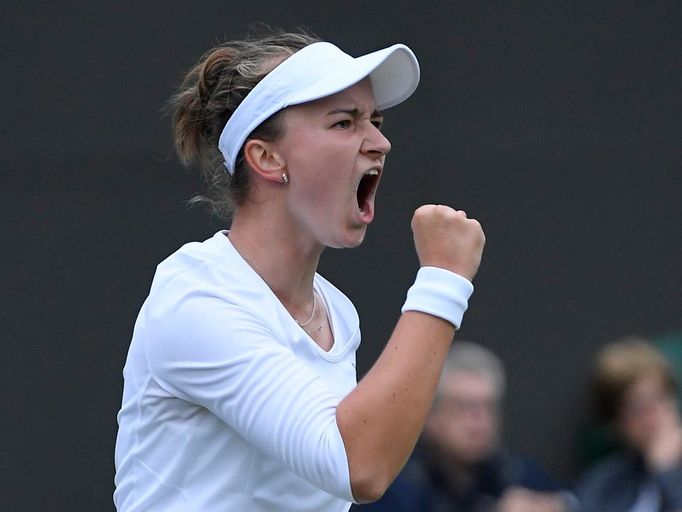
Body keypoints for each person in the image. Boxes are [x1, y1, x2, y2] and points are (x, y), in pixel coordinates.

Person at [113, 27, 486, 512]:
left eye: (375, 120)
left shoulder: (338, 316)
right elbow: (360, 466)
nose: (379, 142)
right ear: (267, 158)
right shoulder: (196, 299)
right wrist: (442, 282)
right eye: (344, 123)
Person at [353, 341, 576, 512]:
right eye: (463, 407)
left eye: (487, 407)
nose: (478, 420)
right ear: (430, 415)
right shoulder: (396, 486)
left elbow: (573, 500)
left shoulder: (517, 474)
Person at [576, 336, 682, 512]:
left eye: (659, 398)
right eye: (638, 407)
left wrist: (667, 471)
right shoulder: (604, 483)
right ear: (615, 423)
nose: (653, 414)